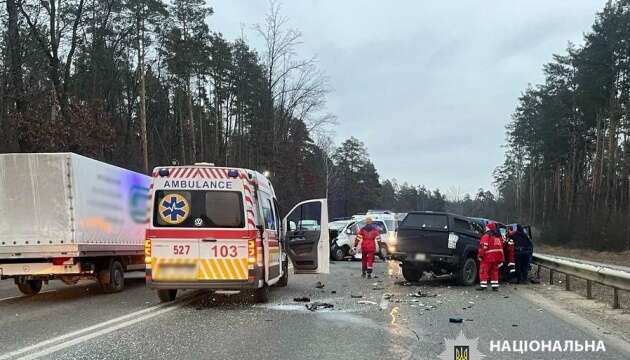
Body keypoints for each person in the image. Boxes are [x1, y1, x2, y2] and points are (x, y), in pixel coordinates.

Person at [477, 222, 505, 291]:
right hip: (497, 258)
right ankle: (495, 286)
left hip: (487, 257)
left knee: (484, 270)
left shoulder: (486, 236)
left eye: (487, 227)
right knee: (494, 271)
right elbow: (501, 247)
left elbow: (484, 246)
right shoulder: (497, 237)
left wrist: (480, 255)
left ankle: (483, 285)